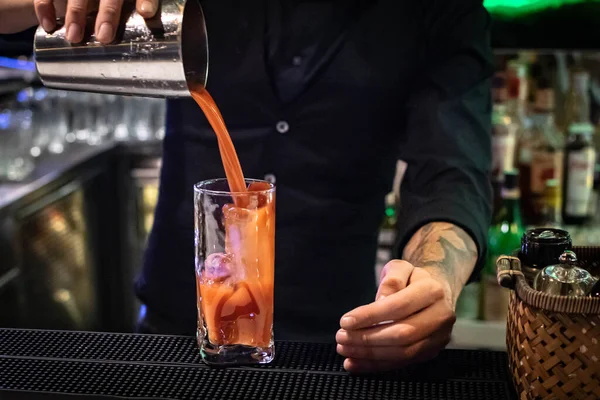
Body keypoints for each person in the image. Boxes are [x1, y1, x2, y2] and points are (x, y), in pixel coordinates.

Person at [0, 0, 493, 373]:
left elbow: (450, 169)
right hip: (179, 337)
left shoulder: (438, 10)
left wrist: (435, 276)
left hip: (336, 343)